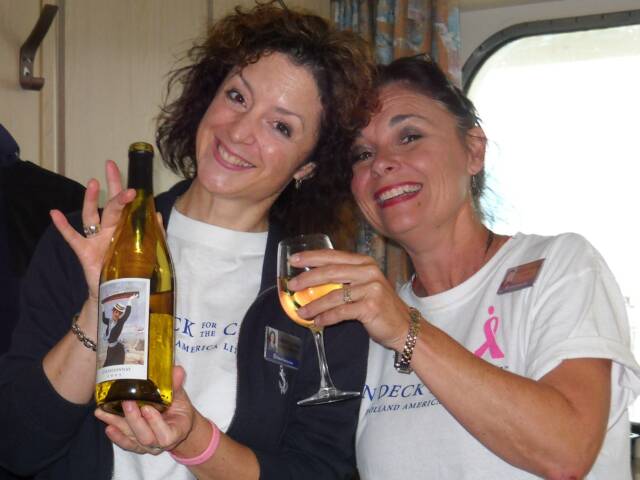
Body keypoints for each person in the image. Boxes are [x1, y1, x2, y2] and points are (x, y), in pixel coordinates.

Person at [0, 3, 375, 479]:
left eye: (280, 126)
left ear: (309, 165)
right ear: (207, 97)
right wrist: (99, 307)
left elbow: (319, 471)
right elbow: (17, 447)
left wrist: (197, 440)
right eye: (237, 97)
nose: (239, 131)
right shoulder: (89, 243)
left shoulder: (319, 292)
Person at [286, 54, 640, 479]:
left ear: (473, 150)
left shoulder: (562, 266)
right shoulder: (366, 326)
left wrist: (406, 330)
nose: (381, 162)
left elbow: (566, 452)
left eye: (409, 136)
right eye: (362, 153)